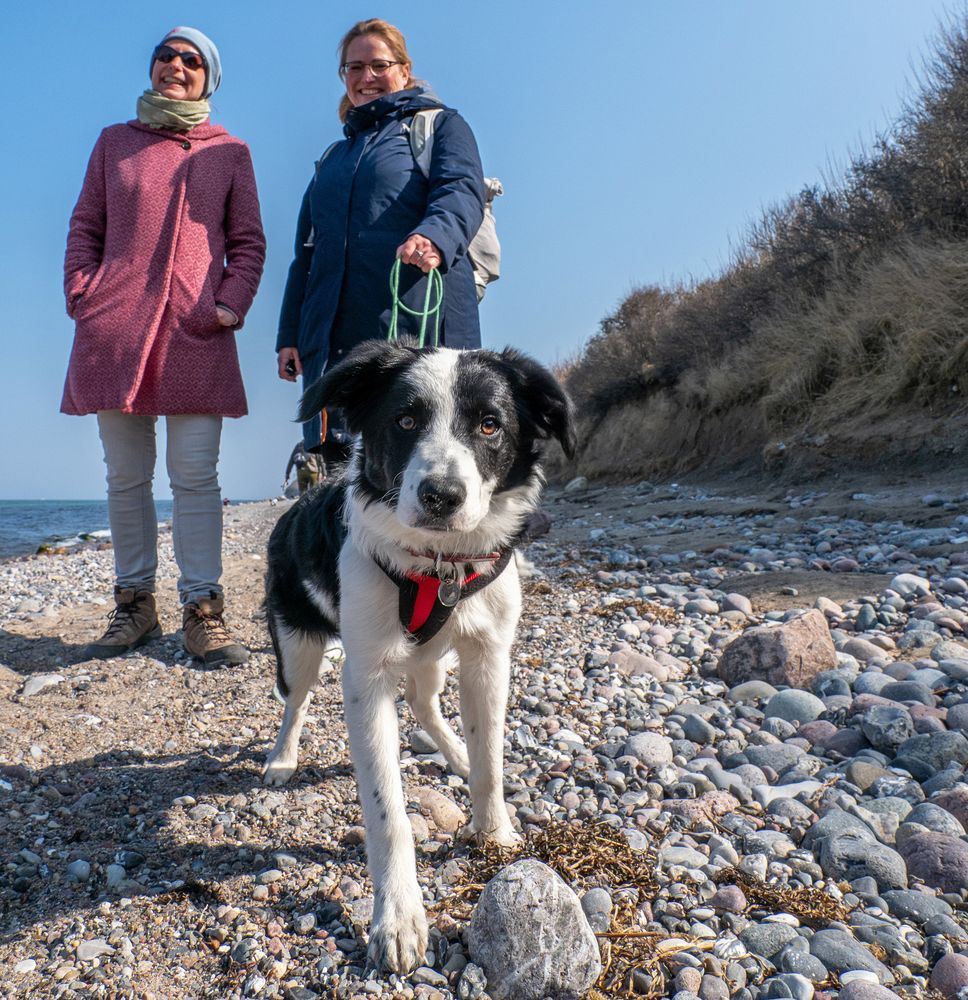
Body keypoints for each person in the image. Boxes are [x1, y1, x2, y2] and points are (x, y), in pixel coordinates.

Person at [61, 26, 266, 667]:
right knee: (126, 478)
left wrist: (228, 305)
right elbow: (84, 226)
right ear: (152, 68)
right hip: (114, 327)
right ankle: (134, 607)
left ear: (209, 77)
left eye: (192, 60)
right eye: (167, 56)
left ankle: (203, 609)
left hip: (194, 332)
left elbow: (249, 243)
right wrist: (82, 294)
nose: (176, 66)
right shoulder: (112, 144)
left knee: (196, 476)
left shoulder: (230, 152)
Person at [276, 17, 485, 449]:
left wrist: (434, 236)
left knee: (422, 453)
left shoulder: (441, 127)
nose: (365, 78)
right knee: (339, 467)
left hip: (418, 324)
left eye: (378, 65)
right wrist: (290, 335)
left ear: (404, 70)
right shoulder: (332, 158)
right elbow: (306, 255)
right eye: (353, 68)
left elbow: (460, 191)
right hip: (332, 344)